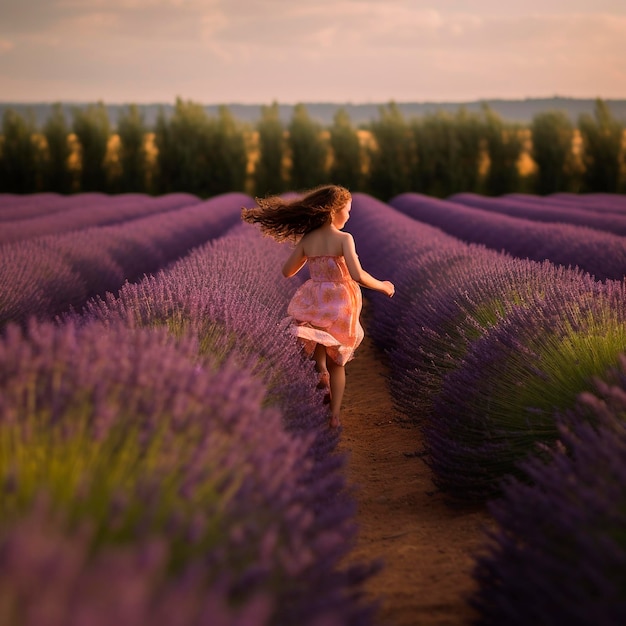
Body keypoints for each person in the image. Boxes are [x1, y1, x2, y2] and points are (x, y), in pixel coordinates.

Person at [242, 185, 394, 428]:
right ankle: (334, 415)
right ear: (334, 211)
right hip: (341, 300)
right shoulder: (344, 239)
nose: (349, 216)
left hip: (315, 296)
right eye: (348, 211)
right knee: (339, 361)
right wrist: (383, 286)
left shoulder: (309, 239)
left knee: (317, 338)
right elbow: (357, 274)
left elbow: (287, 271)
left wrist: (314, 259)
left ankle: (319, 368)